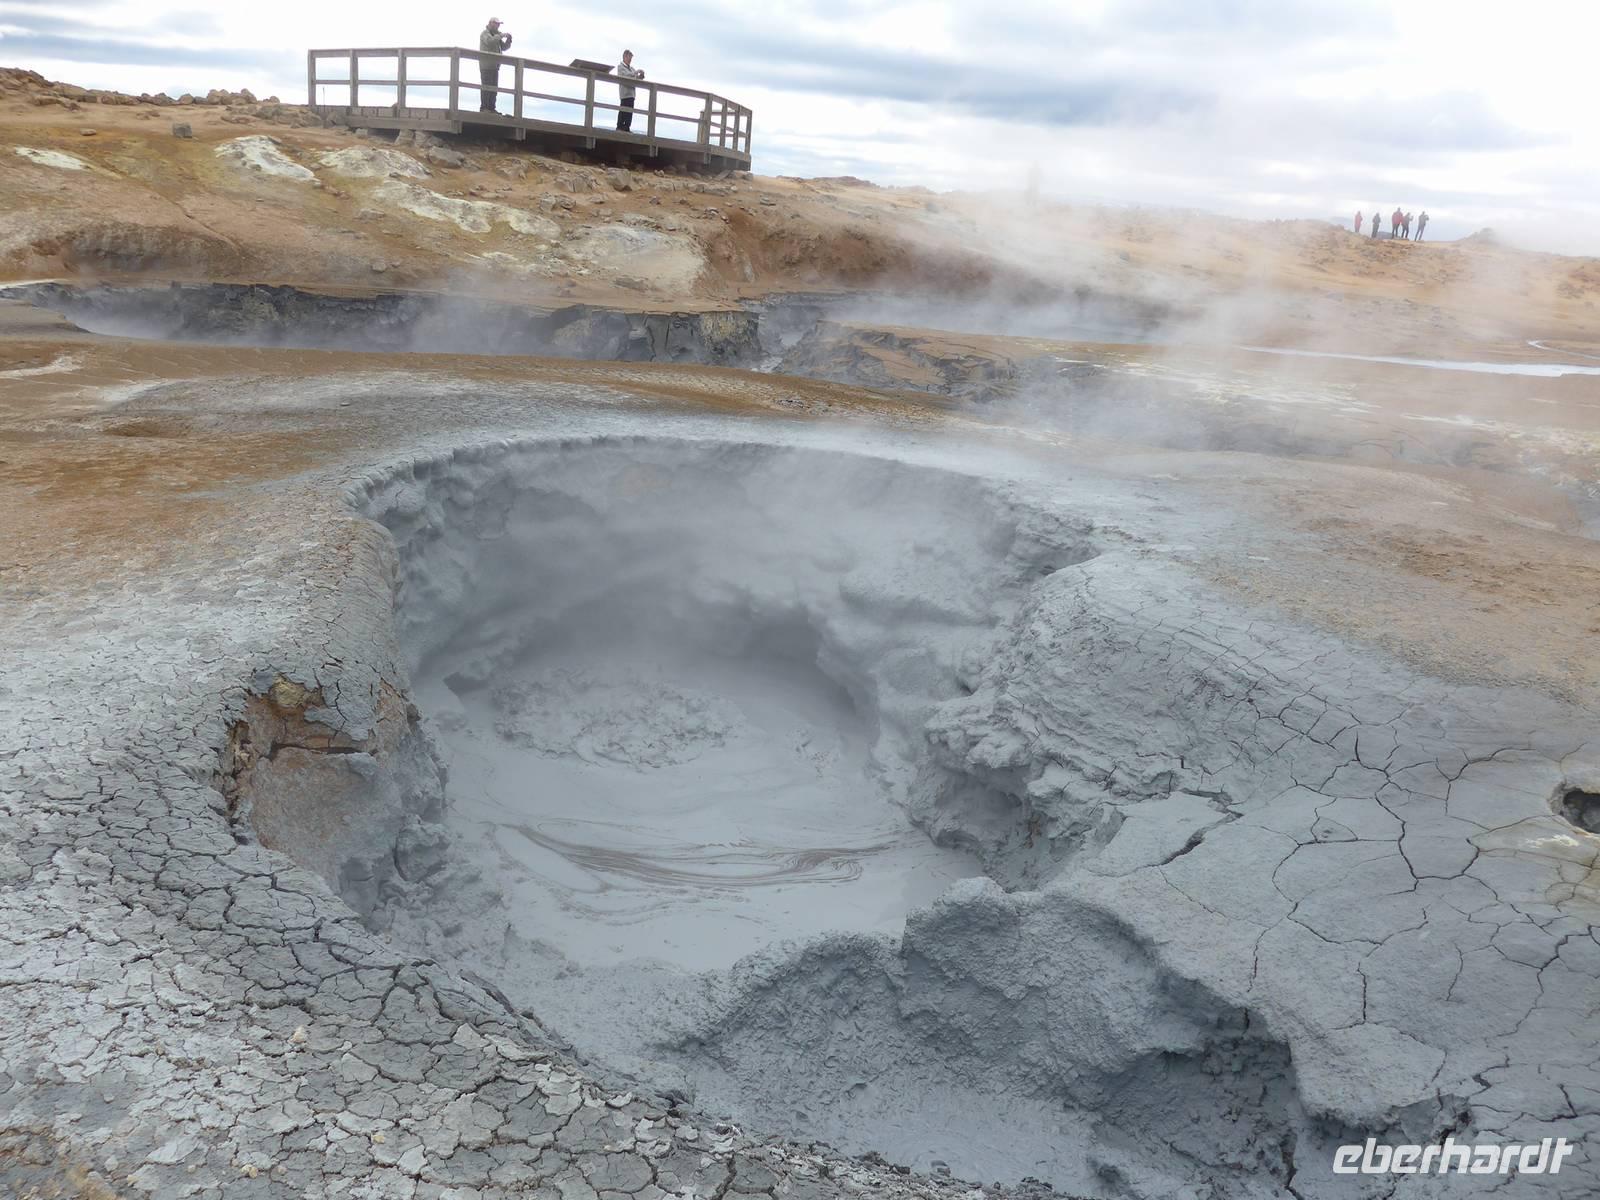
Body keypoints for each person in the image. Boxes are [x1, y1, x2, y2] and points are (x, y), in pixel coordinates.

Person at [478, 18, 513, 113]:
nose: (498, 26)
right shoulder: (485, 33)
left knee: (494, 88)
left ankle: (491, 108)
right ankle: (484, 108)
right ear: (490, 23)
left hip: (495, 66)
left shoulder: (496, 35)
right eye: (496, 24)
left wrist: (509, 40)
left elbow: (504, 47)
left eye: (499, 24)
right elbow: (490, 42)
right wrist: (501, 35)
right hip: (486, 65)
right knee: (486, 87)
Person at [615, 50, 643, 131]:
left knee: (630, 112)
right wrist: (635, 73)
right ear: (624, 57)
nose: (630, 60)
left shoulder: (632, 69)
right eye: (629, 57)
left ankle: (627, 127)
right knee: (623, 110)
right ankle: (619, 127)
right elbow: (625, 75)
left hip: (631, 93)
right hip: (624, 93)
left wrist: (641, 76)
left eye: (631, 58)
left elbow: (636, 78)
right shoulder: (620, 67)